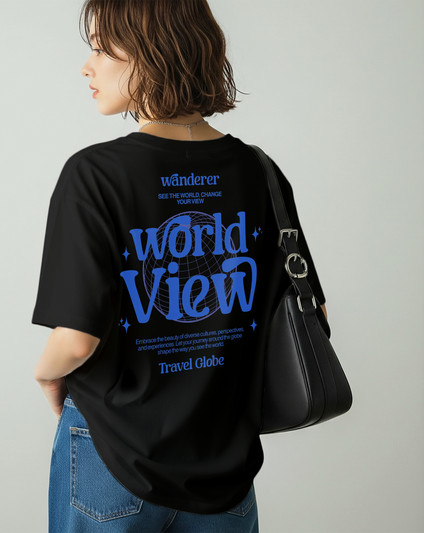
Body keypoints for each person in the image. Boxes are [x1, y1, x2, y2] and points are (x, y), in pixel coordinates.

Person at [31, 1, 327, 531]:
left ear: (151, 53)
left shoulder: (95, 175)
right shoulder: (260, 172)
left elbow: (75, 342)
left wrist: (44, 376)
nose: (86, 66)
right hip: (223, 464)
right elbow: (312, 313)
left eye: (101, 49)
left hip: (111, 455)